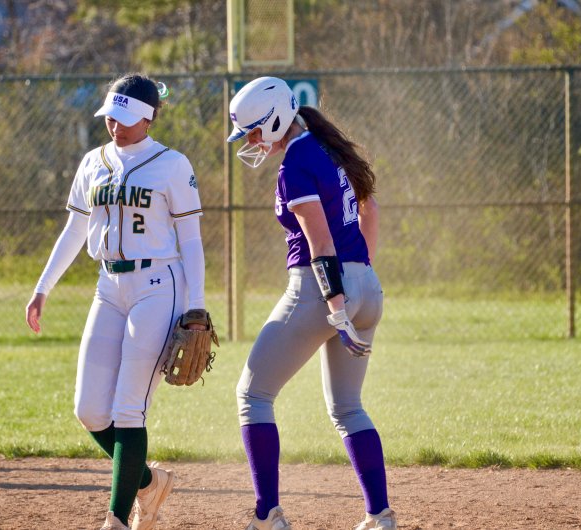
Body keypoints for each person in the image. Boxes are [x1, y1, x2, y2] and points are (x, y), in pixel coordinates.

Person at [25, 73, 210, 530]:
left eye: (125, 118)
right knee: (88, 409)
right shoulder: (93, 161)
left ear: (149, 117)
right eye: (111, 116)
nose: (116, 126)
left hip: (159, 284)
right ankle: (149, 482)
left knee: (129, 407)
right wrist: (42, 287)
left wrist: (197, 304)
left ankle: (117, 519)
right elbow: (75, 230)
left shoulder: (172, 163)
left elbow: (191, 239)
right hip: (107, 286)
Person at [227, 76, 396, 530]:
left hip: (321, 288)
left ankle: (268, 516)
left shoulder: (295, 163)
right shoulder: (326, 148)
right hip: (365, 283)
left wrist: (337, 306)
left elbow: (320, 241)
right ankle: (379, 517)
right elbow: (370, 210)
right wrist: (360, 278)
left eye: (255, 131)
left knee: (252, 396)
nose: (252, 142)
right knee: (348, 408)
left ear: (277, 119)